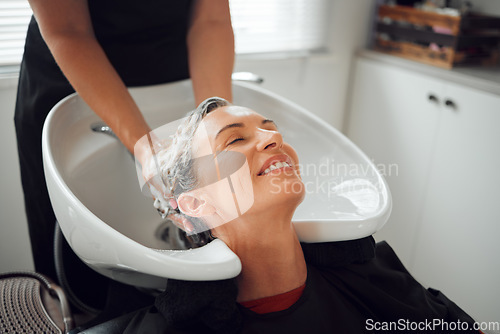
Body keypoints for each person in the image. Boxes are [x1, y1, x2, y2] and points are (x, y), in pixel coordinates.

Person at [115, 97, 480, 334]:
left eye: (270, 130)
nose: (274, 140)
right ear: (195, 204)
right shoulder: (176, 327)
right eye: (235, 140)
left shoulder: (373, 273)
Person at [14, 0, 234, 314]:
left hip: (176, 78)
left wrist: (212, 124)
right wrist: (145, 147)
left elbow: (211, 20)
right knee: (86, 288)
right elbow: (69, 31)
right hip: (75, 85)